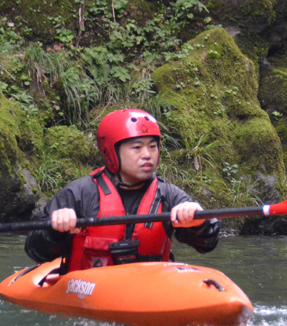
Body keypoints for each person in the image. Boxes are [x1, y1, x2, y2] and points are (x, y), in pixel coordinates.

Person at [25, 109, 219, 271]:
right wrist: (56, 230)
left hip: (149, 288)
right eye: (137, 147)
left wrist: (199, 222)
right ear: (110, 152)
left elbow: (207, 245)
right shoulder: (80, 193)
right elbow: (35, 250)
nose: (147, 155)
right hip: (88, 290)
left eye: (153, 146)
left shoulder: (169, 195)